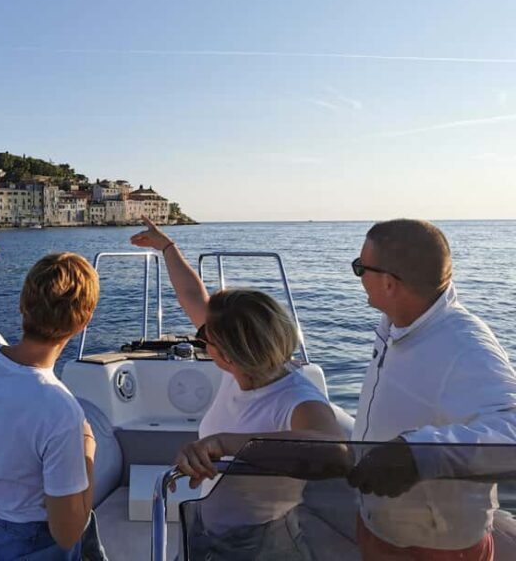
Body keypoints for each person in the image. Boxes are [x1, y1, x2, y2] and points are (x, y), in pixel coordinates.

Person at [131, 217, 346, 560]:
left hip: (262, 542)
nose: (200, 338)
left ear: (229, 355)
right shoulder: (242, 372)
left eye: (205, 339)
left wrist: (225, 443)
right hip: (213, 525)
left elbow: (334, 449)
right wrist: (167, 247)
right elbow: (192, 295)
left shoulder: (296, 398)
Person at [347, 219, 516, 560]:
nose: (357, 275)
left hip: (435, 549)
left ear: (389, 284)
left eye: (360, 267)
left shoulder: (466, 346)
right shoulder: (396, 323)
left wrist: (416, 454)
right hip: (383, 528)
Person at [0, 226, 102, 560]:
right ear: (83, 323)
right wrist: (88, 451)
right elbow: (67, 532)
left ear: (22, 305)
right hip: (33, 543)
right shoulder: (60, 410)